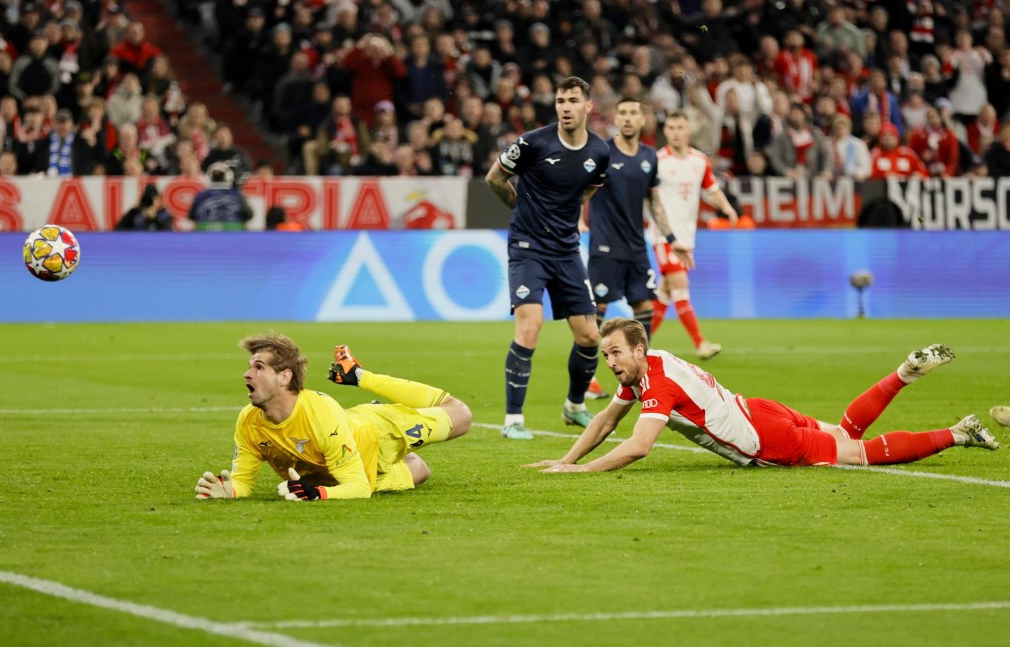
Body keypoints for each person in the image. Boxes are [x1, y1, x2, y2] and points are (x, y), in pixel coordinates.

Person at [526, 318, 999, 474]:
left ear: (638, 349)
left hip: (763, 439)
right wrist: (566, 459)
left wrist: (582, 472)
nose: (609, 363)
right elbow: (606, 422)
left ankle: (958, 434)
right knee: (844, 430)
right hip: (757, 409)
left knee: (859, 452)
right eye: (605, 355)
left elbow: (638, 445)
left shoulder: (657, 383)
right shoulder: (650, 366)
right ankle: (902, 373)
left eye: (614, 353)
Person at [195, 333, 471, 500]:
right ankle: (403, 458)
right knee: (419, 472)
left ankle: (359, 375)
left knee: (459, 414)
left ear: (284, 377)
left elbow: (358, 488)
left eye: (258, 367)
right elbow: (243, 481)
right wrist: (229, 490)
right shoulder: (249, 422)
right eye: (249, 367)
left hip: (380, 432)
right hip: (348, 467)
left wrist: (318, 495)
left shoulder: (318, 413)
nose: (247, 374)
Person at [484, 76, 611, 441]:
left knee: (589, 335)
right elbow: (494, 178)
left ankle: (574, 406)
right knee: (530, 325)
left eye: (572, 101)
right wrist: (521, 207)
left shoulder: (599, 152)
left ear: (588, 106)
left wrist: (563, 215)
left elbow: (588, 189)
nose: (565, 108)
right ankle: (512, 419)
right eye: (560, 101)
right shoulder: (532, 143)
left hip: (567, 249)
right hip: (528, 247)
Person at [582, 96, 693, 400]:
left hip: (636, 247)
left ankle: (644, 375)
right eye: (623, 113)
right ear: (616, 118)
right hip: (605, 247)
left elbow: (654, 203)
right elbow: (583, 189)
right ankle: (589, 378)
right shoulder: (602, 152)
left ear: (643, 119)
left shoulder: (648, 156)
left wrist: (672, 239)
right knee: (597, 316)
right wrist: (579, 220)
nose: (629, 118)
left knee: (644, 308)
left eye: (634, 113)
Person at [649, 111, 738, 360]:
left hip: (687, 236)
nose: (676, 132)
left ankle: (641, 342)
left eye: (680, 127)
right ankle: (700, 342)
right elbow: (645, 195)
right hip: (663, 236)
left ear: (689, 131)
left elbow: (712, 188)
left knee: (665, 292)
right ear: (665, 131)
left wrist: (726, 207)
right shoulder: (658, 161)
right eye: (671, 128)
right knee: (680, 285)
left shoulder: (700, 161)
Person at [187, 162, 253, 231]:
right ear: (228, 177)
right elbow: (249, 214)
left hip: (206, 233)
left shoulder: (201, 195)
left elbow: (191, 216)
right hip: (233, 232)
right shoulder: (236, 194)